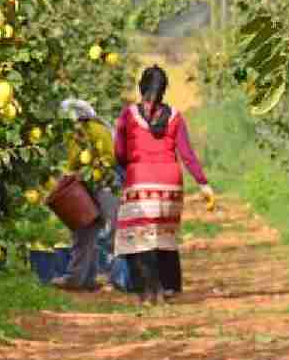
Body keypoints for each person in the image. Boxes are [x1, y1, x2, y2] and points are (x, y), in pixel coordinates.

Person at [114, 65, 215, 305]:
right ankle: (169, 288)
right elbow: (187, 153)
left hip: (141, 182)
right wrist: (203, 183)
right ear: (164, 90)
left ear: (141, 87)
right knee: (163, 235)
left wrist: (127, 166)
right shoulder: (176, 116)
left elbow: (119, 151)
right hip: (170, 185)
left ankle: (149, 291)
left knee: (138, 238)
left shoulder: (129, 115)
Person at [51, 98, 120, 292]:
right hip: (86, 184)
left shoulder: (97, 130)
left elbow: (110, 157)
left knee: (114, 226)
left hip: (106, 182)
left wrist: (91, 168)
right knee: (84, 229)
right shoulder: (73, 135)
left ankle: (117, 276)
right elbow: (73, 161)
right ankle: (80, 278)